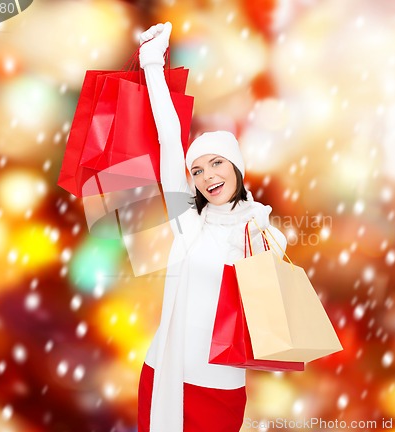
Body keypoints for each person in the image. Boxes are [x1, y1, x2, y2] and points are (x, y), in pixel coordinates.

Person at [137, 22, 288, 432]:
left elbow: (268, 303)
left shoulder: (262, 231)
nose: (207, 175)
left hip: (219, 385)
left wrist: (258, 228)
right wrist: (152, 62)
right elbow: (170, 141)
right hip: (165, 371)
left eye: (217, 163)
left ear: (236, 167)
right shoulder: (190, 222)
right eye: (198, 169)